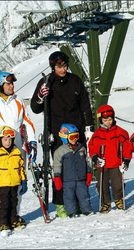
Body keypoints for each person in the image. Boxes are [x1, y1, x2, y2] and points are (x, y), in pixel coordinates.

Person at [30, 51, 94, 217]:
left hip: (76, 131)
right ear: (53, 67)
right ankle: (61, 204)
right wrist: (39, 96)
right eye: (59, 66)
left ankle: (80, 202)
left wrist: (89, 127)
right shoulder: (46, 82)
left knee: (80, 167)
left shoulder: (75, 81)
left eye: (65, 65)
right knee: (60, 169)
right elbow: (35, 108)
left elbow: (85, 104)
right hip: (57, 133)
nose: (63, 69)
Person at [0, 71, 36, 227]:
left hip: (17, 147)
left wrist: (33, 141)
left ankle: (14, 216)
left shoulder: (18, 100)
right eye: (8, 83)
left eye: (12, 83)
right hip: (1, 147)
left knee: (16, 184)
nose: (11, 86)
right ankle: (2, 218)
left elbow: (27, 121)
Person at [88, 104, 132, 213]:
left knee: (117, 184)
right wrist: (95, 158)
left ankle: (118, 199)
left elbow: (127, 146)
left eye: (110, 119)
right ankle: (105, 203)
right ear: (100, 120)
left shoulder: (120, 132)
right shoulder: (97, 134)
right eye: (105, 120)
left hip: (116, 163)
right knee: (102, 185)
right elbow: (92, 147)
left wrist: (126, 160)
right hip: (102, 164)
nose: (108, 122)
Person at [52, 123, 93, 218]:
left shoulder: (82, 148)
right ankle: (71, 212)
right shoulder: (60, 151)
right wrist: (57, 177)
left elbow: (87, 162)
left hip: (81, 179)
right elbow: (56, 165)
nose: (75, 139)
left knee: (84, 195)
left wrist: (89, 173)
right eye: (72, 137)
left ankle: (86, 210)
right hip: (67, 180)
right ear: (65, 137)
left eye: (76, 136)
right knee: (69, 197)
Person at [0, 126, 28, 236]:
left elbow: (21, 168)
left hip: (14, 183)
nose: (8, 142)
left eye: (10, 139)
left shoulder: (17, 152)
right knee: (4, 204)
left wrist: (24, 180)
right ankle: (3, 223)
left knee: (14, 202)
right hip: (2, 184)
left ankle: (13, 220)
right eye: (5, 139)